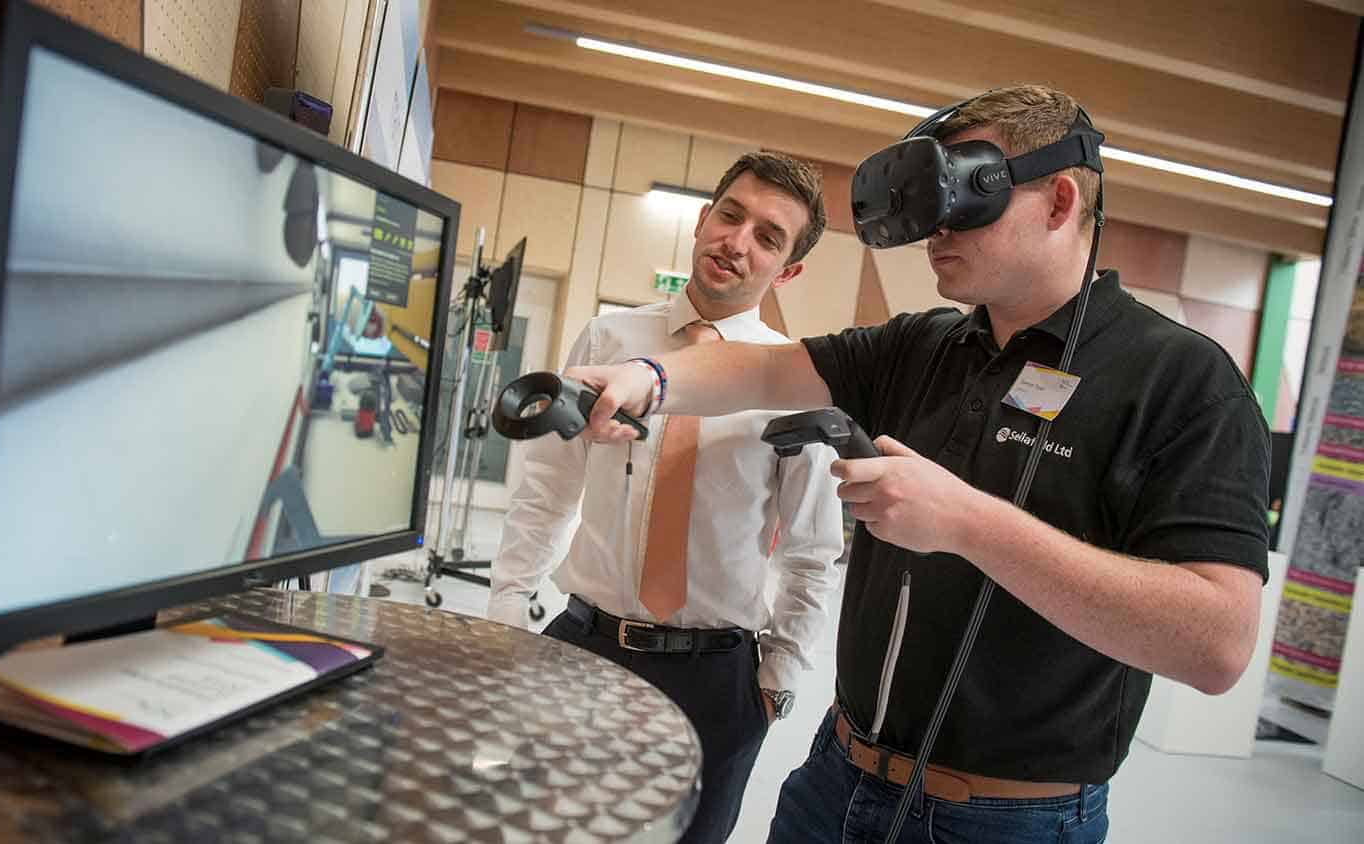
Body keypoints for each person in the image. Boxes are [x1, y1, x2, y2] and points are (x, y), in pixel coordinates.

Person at [567, 86, 1269, 844]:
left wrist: (968, 524)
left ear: (1060, 201)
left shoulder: (1180, 383)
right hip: (836, 781)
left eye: (965, 194)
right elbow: (765, 372)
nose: (937, 228)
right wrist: (653, 375)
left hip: (1008, 818)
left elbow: (1217, 644)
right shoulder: (924, 346)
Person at [489, 152, 846, 844]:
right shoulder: (609, 338)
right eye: (730, 214)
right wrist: (507, 610)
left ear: (789, 270)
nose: (737, 242)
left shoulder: (791, 379)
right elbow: (546, 492)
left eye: (768, 237)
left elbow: (812, 548)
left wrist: (778, 676)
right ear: (703, 218)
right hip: (583, 652)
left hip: (715, 680)